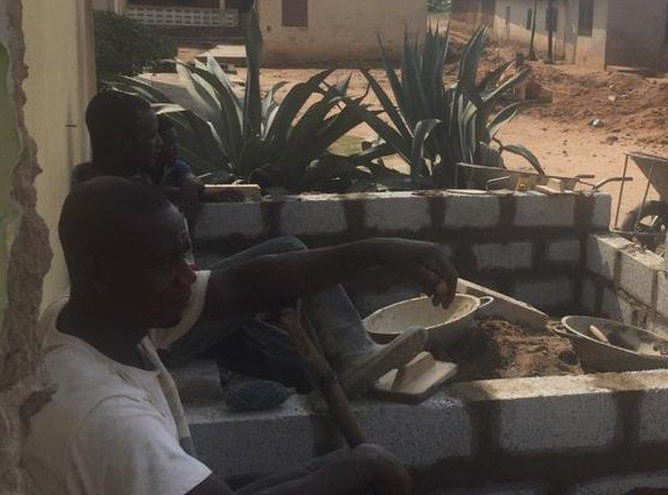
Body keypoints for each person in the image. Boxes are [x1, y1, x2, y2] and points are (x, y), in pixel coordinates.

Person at [26, 176, 458, 494]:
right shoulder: (103, 415)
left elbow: (243, 285)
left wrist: (377, 250)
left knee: (356, 465)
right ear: (98, 274)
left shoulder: (89, 316)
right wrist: (348, 472)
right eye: (165, 267)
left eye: (186, 256)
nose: (187, 277)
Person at [74, 90, 428, 397]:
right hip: (162, 333)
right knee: (287, 251)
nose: (160, 145)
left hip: (171, 318)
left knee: (288, 356)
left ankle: (349, 366)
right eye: (151, 136)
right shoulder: (116, 207)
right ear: (124, 142)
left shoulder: (105, 192)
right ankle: (354, 353)